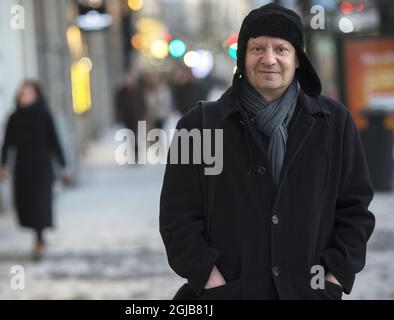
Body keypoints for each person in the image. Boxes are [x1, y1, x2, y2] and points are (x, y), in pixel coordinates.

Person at [159, 3, 376, 300]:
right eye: (257, 48)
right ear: (243, 57)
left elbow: (355, 211)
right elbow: (177, 218)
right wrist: (211, 280)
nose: (269, 59)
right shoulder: (197, 126)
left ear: (298, 59)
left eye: (281, 49)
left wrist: (333, 279)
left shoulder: (334, 124)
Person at [0, 80, 68, 260]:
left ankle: (38, 240)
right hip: (23, 169)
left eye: (28, 93)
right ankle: (39, 238)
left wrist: (63, 166)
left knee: (40, 204)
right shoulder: (14, 118)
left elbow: (54, 142)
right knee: (27, 205)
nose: (24, 97)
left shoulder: (44, 115)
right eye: (22, 94)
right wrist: (3, 165)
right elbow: (6, 144)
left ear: (36, 95)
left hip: (42, 168)